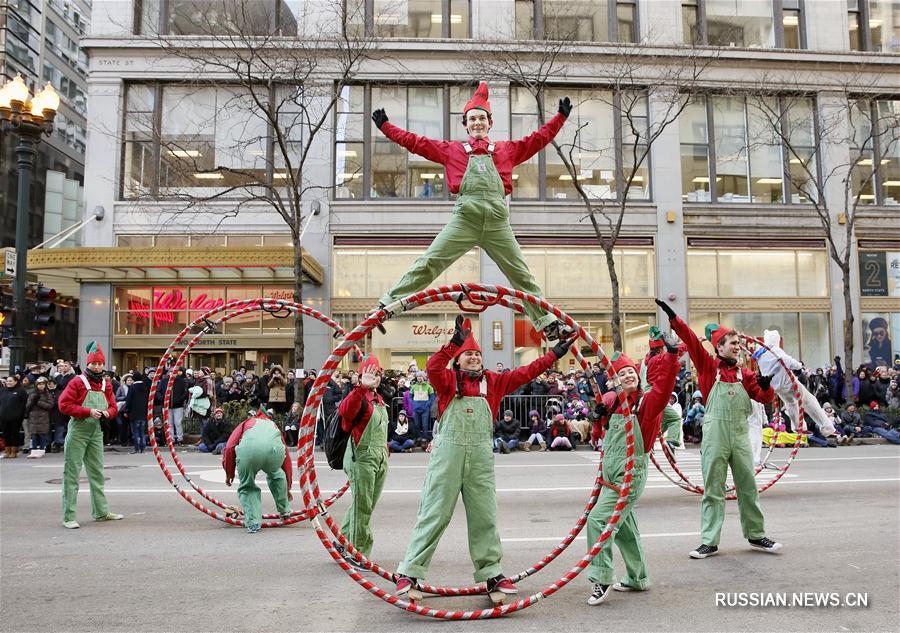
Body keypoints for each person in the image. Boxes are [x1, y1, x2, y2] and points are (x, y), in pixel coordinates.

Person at [371, 82, 574, 341]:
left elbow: (538, 139)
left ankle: (548, 324)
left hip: (498, 224)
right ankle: (387, 305)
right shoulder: (452, 150)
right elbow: (415, 143)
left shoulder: (506, 150)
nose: (477, 123)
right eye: (472, 119)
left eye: (481, 118)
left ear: (490, 122)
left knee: (522, 275)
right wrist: (386, 128)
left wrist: (559, 118)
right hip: (465, 219)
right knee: (430, 262)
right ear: (465, 125)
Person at [394, 315, 576, 598]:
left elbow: (527, 372)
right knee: (434, 512)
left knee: (485, 516)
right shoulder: (447, 380)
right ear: (457, 359)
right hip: (448, 456)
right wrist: (453, 343)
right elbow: (432, 367)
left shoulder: (494, 381)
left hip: (480, 457)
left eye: (477, 354)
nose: (475, 358)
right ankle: (410, 572)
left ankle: (492, 574)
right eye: (468, 354)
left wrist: (555, 353)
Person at [657, 300, 782, 558]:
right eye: (733, 344)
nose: (738, 347)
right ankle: (709, 541)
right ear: (719, 347)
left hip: (739, 435)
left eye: (739, 343)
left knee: (748, 486)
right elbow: (691, 340)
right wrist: (673, 318)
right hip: (715, 436)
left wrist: (767, 385)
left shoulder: (745, 374)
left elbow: (764, 399)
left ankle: (757, 535)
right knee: (713, 488)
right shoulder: (707, 366)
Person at [585, 340, 679, 606]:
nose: (628, 375)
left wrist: (671, 357)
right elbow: (598, 436)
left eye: (631, 372)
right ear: (613, 381)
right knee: (625, 528)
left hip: (630, 474)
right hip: (610, 472)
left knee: (598, 521)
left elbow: (665, 389)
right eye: (621, 373)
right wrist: (597, 419)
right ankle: (638, 577)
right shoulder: (612, 402)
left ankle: (601, 578)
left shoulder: (646, 403)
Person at [57, 342, 124, 528]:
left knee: (97, 473)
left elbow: (113, 407)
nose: (97, 366)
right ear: (88, 364)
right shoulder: (77, 381)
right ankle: (69, 517)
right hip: (78, 430)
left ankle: (101, 512)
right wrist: (88, 411)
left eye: (100, 363)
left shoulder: (106, 383)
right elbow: (63, 405)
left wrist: (107, 414)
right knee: (72, 474)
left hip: (96, 432)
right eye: (94, 363)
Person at [338, 354, 389, 561]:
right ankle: (357, 552)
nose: (374, 378)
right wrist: (361, 389)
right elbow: (345, 413)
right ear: (360, 377)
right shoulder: (357, 397)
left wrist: (385, 452)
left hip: (379, 458)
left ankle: (341, 540)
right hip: (362, 458)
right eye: (369, 374)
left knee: (364, 504)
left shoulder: (379, 399)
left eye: (376, 374)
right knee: (363, 506)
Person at [222, 410, 293, 533]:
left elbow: (229, 447)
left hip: (250, 451)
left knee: (247, 485)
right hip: (274, 451)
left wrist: (229, 472)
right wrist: (288, 487)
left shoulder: (246, 423)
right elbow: (286, 459)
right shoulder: (273, 425)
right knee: (277, 476)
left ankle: (253, 522)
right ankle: (285, 510)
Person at [755, 330, 835, 437]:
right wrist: (799, 366)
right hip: (789, 382)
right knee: (809, 400)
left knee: (790, 403)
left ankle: (798, 427)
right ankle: (826, 427)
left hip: (776, 386)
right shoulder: (775, 350)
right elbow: (789, 361)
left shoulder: (761, 354)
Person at [639, 326, 685, 451]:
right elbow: (675, 353)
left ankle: (651, 440)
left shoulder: (645, 360)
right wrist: (690, 343)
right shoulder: (659, 358)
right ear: (661, 348)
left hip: (645, 397)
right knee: (675, 418)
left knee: (660, 420)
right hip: (655, 396)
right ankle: (672, 443)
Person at [26, 377, 54, 458]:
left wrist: (38, 402)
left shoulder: (47, 394)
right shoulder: (32, 394)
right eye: (39, 384)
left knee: (42, 435)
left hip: (43, 417)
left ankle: (41, 450)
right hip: (33, 417)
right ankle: (33, 451)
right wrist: (32, 402)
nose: (41, 386)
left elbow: (50, 405)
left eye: (42, 384)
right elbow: (27, 406)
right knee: (34, 435)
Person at [1, 374, 28, 458]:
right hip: (4, 416)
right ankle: (7, 450)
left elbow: (24, 404)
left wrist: (21, 414)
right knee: (6, 434)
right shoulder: (2, 390)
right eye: (7, 381)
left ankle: (14, 451)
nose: (8, 383)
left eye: (10, 381)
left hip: (16, 416)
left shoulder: (21, 391)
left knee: (14, 434)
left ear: (16, 382)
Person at [124, 371, 150, 454]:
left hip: (134, 412)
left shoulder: (132, 387)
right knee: (142, 431)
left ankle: (137, 448)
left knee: (135, 432)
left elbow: (128, 400)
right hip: (143, 412)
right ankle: (143, 447)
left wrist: (126, 410)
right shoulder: (145, 386)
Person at [409, 371, 436, 442]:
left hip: (425, 409)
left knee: (425, 425)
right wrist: (413, 403)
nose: (419, 378)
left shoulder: (429, 387)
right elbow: (410, 397)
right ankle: (418, 438)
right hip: (416, 408)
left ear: (423, 377)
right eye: (418, 376)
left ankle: (424, 439)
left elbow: (432, 397)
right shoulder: (413, 387)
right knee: (416, 425)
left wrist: (427, 404)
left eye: (420, 376)